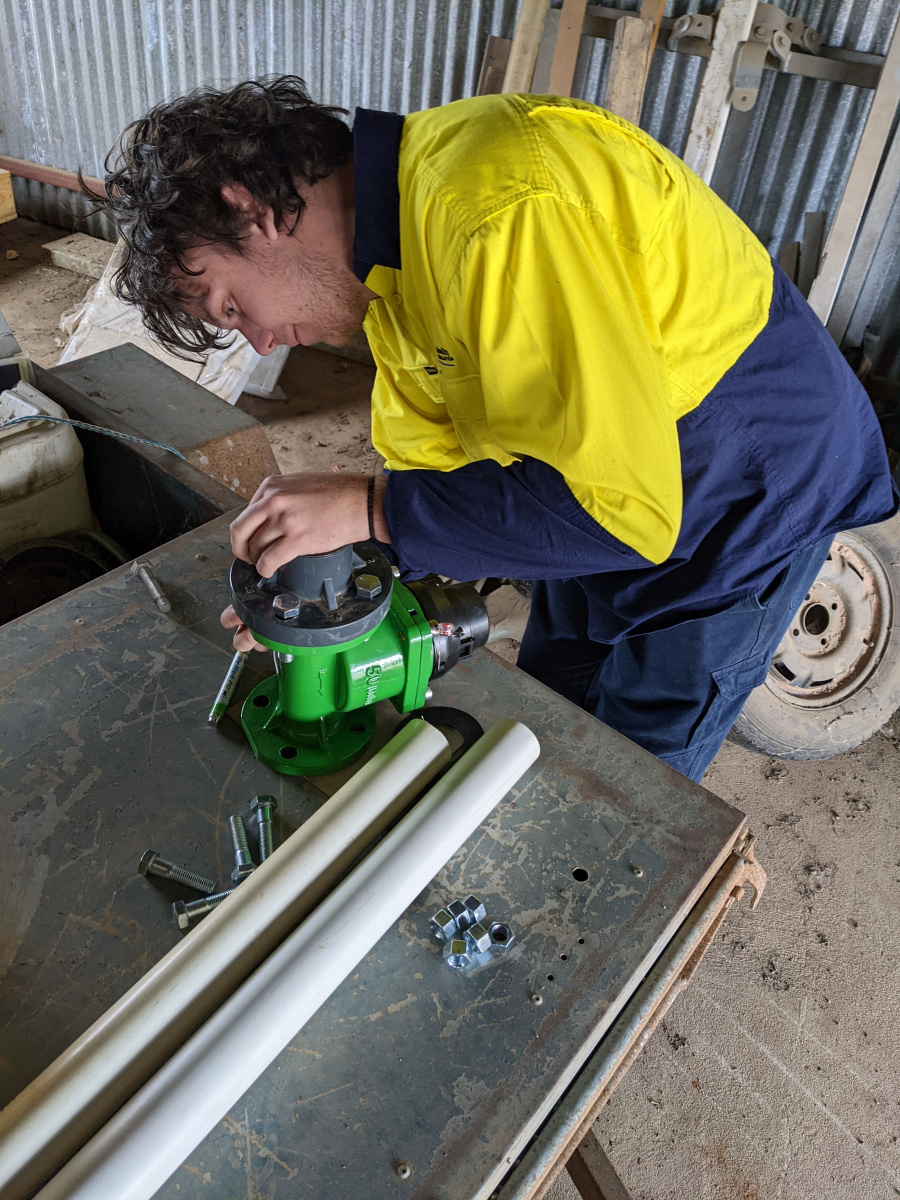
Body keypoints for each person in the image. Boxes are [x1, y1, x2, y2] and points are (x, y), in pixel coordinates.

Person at [93, 75, 896, 781]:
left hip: (749, 480)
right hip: (601, 476)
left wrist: (371, 509)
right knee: (545, 708)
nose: (260, 341)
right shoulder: (391, 274)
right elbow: (443, 466)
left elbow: (621, 512)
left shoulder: (497, 214)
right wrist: (321, 591)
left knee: (635, 770)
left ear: (251, 209)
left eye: (232, 306)